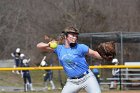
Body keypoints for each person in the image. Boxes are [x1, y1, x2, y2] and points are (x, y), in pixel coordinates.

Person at [37, 26, 102, 93]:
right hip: (72, 82)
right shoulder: (59, 49)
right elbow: (39, 46)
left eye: (76, 36)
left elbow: (95, 54)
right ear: (65, 36)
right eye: (73, 35)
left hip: (87, 78)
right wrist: (48, 44)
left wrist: (106, 56)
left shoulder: (80, 47)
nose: (75, 38)